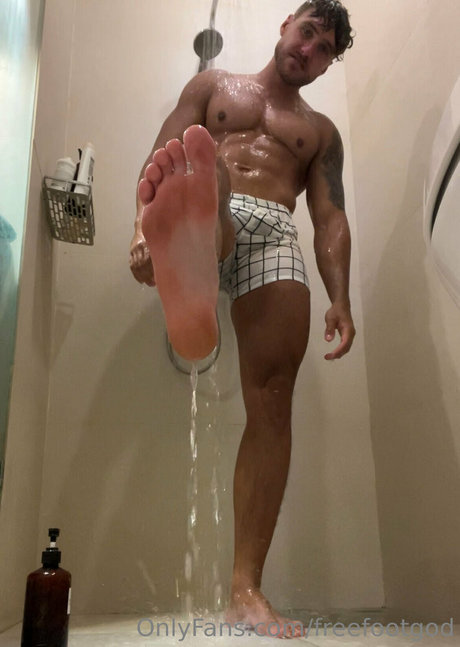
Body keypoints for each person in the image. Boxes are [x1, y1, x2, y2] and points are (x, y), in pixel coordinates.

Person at [130, 0, 356, 638]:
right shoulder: (212, 86)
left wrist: (340, 297)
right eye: (307, 32)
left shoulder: (320, 133)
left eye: (323, 49)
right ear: (286, 26)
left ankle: (245, 591)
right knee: (206, 170)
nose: (308, 49)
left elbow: (330, 218)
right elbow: (158, 157)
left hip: (276, 232)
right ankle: (199, 230)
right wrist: (140, 233)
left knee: (273, 400)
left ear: (326, 65)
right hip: (213, 203)